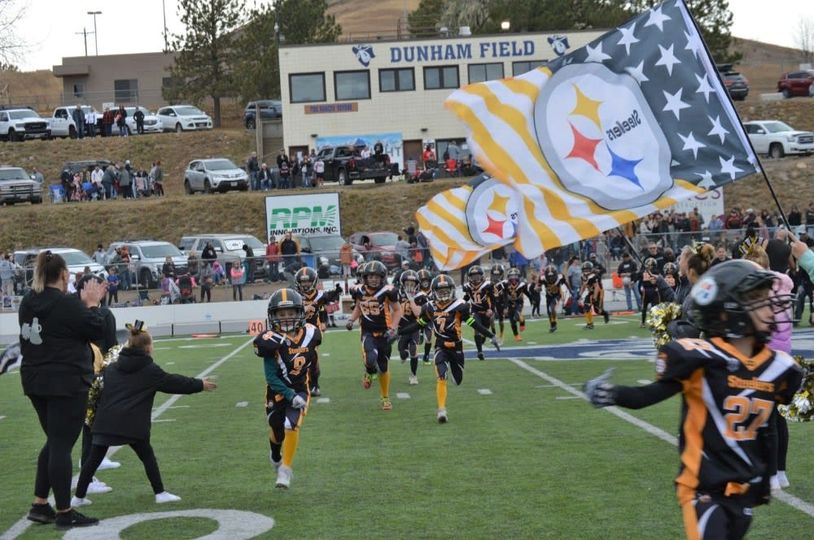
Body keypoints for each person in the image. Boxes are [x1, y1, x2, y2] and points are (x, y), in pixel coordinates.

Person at [584, 260, 803, 540]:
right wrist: (611, 394)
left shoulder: (776, 366)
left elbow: (768, 427)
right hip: (704, 489)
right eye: (759, 299)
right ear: (729, 312)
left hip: (743, 492)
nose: (770, 306)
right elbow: (649, 394)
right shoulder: (702, 359)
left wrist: (767, 475)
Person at [72, 321, 216, 507]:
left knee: (92, 461)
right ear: (147, 348)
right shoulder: (149, 370)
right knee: (147, 456)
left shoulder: (113, 368)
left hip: (106, 422)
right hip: (132, 425)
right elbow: (174, 382)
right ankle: (160, 493)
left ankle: (78, 498)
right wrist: (199, 384)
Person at [18, 250, 107, 530]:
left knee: (54, 441)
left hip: (34, 379)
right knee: (60, 445)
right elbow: (97, 330)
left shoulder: (28, 301)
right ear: (65, 275)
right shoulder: (67, 304)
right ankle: (65, 512)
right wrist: (92, 304)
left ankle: (40, 504)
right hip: (66, 381)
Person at [400, 274, 499, 423]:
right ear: (434, 292)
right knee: (441, 377)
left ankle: (452, 379)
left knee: (458, 380)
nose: (444, 293)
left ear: (452, 290)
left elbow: (473, 324)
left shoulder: (460, 306)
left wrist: (491, 335)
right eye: (440, 291)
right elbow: (418, 324)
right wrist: (398, 332)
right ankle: (441, 410)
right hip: (440, 347)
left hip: (457, 348)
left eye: (446, 290)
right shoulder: (429, 307)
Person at [254, 289, 318, 489]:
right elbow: (271, 377)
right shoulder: (270, 340)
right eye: (281, 315)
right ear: (273, 316)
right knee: (276, 430)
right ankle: (275, 455)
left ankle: (285, 470)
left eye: (290, 313)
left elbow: (312, 357)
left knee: (291, 425)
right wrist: (289, 395)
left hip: (300, 388)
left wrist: (311, 381)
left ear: (299, 312)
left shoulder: (311, 332)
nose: (286, 318)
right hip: (277, 391)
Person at [345, 260, 402, 411]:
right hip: (368, 332)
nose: (373, 279)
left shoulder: (388, 291)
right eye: (370, 276)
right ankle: (369, 372)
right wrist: (351, 319)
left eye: (377, 276)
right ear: (365, 277)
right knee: (370, 359)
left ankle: (385, 397)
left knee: (383, 368)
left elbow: (398, 310)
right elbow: (358, 306)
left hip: (385, 333)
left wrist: (394, 328)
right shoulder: (358, 290)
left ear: (382, 277)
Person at [293, 267, 341, 395]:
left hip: (313, 331)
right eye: (303, 282)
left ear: (313, 281)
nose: (305, 284)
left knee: (312, 358)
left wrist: (337, 292)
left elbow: (329, 298)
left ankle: (314, 384)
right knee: (296, 357)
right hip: (297, 331)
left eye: (308, 281)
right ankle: (298, 383)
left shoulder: (319, 295)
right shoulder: (295, 295)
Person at [397, 270, 423, 384]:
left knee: (413, 350)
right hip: (402, 327)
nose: (410, 286)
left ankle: (413, 375)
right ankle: (403, 354)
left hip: (414, 327)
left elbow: (417, 313)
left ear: (417, 284)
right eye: (407, 283)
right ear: (402, 283)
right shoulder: (397, 294)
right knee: (402, 352)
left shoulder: (420, 296)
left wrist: (411, 299)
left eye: (412, 284)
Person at [461, 265, 493, 360]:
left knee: (484, 332)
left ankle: (480, 344)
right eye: (473, 276)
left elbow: (493, 299)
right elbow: (467, 297)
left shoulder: (487, 285)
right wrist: (461, 303)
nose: (475, 278)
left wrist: (491, 309)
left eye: (477, 276)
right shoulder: (468, 286)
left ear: (482, 276)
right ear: (469, 277)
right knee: (476, 328)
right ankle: (480, 352)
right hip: (475, 311)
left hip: (486, 311)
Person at [579, 261, 609, 330]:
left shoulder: (594, 276)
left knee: (598, 311)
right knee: (586, 307)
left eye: (587, 269)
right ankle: (590, 324)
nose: (586, 271)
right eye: (585, 269)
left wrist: (595, 297)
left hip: (599, 293)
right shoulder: (583, 276)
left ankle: (605, 314)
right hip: (591, 293)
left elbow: (597, 287)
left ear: (591, 269)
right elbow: (583, 286)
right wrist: (580, 294)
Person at [504, 267, 532, 341]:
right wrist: (505, 307)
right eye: (511, 276)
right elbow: (504, 296)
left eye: (515, 276)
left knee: (516, 317)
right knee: (512, 322)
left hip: (518, 302)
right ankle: (516, 335)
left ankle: (522, 322)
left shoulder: (522, 284)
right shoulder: (506, 285)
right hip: (510, 304)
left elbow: (527, 293)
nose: (513, 279)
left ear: (518, 277)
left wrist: (531, 300)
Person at [542, 264, 568, 333]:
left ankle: (554, 323)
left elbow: (565, 283)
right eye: (549, 276)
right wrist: (537, 288)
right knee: (549, 312)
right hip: (548, 297)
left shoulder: (559, 278)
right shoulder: (543, 279)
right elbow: (537, 286)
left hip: (557, 295)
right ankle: (552, 325)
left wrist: (570, 291)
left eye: (552, 276)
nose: (550, 278)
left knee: (552, 307)